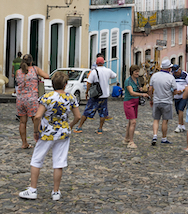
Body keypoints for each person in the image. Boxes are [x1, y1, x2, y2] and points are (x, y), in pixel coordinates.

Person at [19, 71, 81, 201]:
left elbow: (37, 117)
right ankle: (56, 192)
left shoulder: (46, 98)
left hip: (47, 133)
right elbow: (78, 117)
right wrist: (69, 125)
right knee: (59, 162)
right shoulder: (71, 98)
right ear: (65, 84)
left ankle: (33, 189)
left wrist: (36, 131)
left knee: (37, 159)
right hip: (63, 133)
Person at [15, 54, 50, 149]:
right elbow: (47, 76)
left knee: (22, 122)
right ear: (31, 62)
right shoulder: (35, 69)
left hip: (20, 99)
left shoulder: (18, 72)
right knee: (36, 120)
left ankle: (24, 143)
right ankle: (39, 141)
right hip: (32, 99)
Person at [75, 57, 117, 134]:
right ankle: (100, 129)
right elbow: (114, 75)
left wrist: (87, 92)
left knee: (87, 111)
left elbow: (89, 83)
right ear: (103, 63)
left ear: (96, 63)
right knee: (103, 113)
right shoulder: (108, 71)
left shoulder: (94, 72)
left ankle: (79, 127)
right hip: (104, 95)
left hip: (95, 95)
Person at [148, 59, 176, 146]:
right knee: (165, 120)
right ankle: (164, 138)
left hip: (156, 100)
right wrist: (172, 95)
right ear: (168, 68)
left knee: (156, 120)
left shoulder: (154, 76)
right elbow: (175, 90)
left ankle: (155, 136)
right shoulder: (171, 77)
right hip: (167, 101)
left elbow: (150, 89)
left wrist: (151, 99)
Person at [123, 64, 149, 148]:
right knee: (133, 122)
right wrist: (142, 94)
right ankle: (131, 141)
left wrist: (140, 89)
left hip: (135, 102)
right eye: (136, 72)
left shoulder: (137, 80)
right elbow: (131, 92)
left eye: (138, 71)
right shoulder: (128, 81)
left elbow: (136, 89)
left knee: (131, 122)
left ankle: (126, 138)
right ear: (132, 72)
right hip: (129, 102)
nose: (137, 73)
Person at [172, 65, 188, 133]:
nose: (176, 73)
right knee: (178, 111)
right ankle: (182, 125)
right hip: (176, 96)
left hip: (184, 96)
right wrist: (173, 91)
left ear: (179, 70)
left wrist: (183, 90)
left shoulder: (185, 75)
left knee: (180, 109)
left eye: (177, 72)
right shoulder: (172, 76)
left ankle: (179, 125)